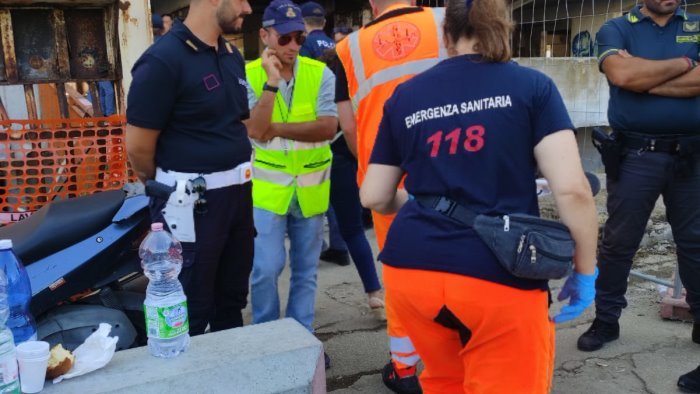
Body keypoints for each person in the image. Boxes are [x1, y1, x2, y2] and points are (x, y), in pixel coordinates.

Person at [360, 0, 599, 391]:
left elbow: (374, 195)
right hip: (497, 276)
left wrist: (427, 208)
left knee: (444, 382)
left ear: (447, 36)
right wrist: (586, 271)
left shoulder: (405, 96)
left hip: (412, 273)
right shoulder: (532, 87)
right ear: (505, 28)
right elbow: (573, 189)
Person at [578, 0, 700, 389]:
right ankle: (606, 321)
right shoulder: (616, 28)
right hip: (634, 155)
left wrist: (642, 78)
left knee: (695, 244)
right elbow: (620, 74)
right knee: (618, 242)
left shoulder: (696, 26)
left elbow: (632, 79)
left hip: (691, 156)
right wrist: (685, 65)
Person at [335, 1, 446, 391]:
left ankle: (404, 368)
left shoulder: (347, 48)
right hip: (454, 166)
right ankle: (460, 356)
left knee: (401, 272)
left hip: (387, 177)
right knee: (460, 264)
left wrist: (368, 162)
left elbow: (348, 124)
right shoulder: (448, 21)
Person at [125, 0, 254, 336]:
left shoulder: (230, 54)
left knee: (231, 301)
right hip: (189, 208)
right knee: (189, 309)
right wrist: (171, 188)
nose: (249, 8)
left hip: (237, 201)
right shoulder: (163, 60)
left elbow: (235, 124)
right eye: (241, 0)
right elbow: (139, 149)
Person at [244, 0, 337, 346]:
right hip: (269, 193)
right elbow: (255, 129)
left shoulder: (320, 73)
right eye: (285, 39)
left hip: (311, 190)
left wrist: (277, 128)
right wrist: (270, 84)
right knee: (266, 269)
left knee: (306, 272)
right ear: (265, 35)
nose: (294, 46)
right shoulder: (251, 74)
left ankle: (301, 340)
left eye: (298, 37)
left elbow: (327, 127)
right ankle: (267, 340)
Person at [318, 48, 385, 317]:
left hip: (324, 160)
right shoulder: (361, 84)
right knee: (355, 230)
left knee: (309, 235)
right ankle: (374, 293)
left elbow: (342, 126)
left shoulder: (324, 85)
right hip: (356, 160)